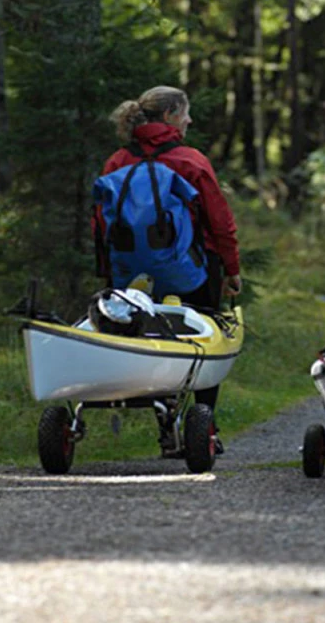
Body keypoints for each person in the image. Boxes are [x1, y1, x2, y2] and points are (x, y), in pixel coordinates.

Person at [94, 85, 241, 454]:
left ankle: (166, 424)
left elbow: (101, 222)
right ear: (171, 115)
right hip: (191, 268)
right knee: (205, 339)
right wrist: (231, 268)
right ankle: (204, 426)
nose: (189, 120)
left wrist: (109, 272)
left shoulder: (117, 161)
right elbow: (219, 220)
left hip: (130, 273)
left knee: (147, 341)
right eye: (185, 113)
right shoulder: (190, 160)